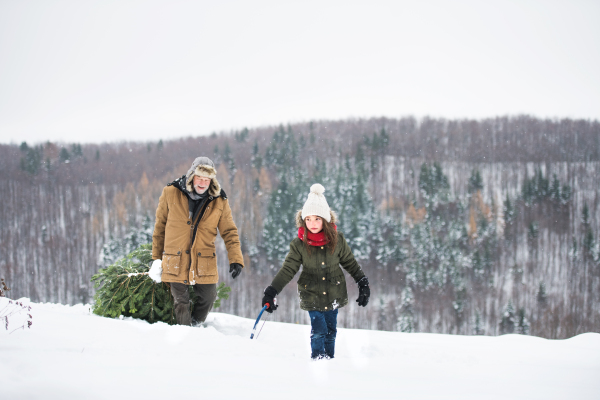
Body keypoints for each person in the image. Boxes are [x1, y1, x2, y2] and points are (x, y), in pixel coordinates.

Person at [262, 183, 370, 359]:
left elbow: (349, 262)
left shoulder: (338, 240)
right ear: (303, 220)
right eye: (308, 219)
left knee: (331, 331)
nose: (312, 223)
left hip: (334, 291)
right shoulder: (299, 244)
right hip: (311, 292)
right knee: (319, 329)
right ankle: (318, 361)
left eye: (317, 219)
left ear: (325, 220)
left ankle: (330, 361)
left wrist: (362, 282)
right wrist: (272, 290)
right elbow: (288, 269)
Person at [150, 156, 244, 326]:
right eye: (199, 178)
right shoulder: (171, 192)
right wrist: (156, 258)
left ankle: (196, 324)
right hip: (175, 257)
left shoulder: (219, 201)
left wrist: (236, 259)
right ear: (192, 176)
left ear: (211, 180)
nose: (202, 183)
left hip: (203, 260)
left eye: (206, 179)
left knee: (209, 296)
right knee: (181, 302)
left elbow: (229, 232)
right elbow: (160, 227)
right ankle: (186, 334)